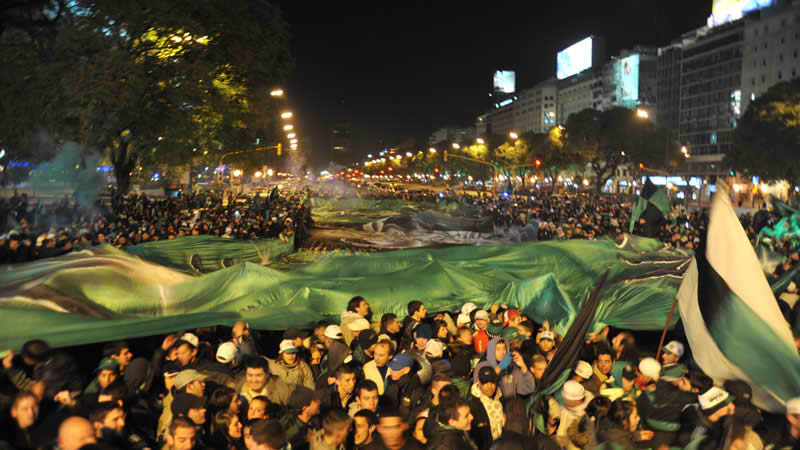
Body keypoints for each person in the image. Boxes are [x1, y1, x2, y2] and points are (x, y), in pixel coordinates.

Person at [468, 365, 504, 449]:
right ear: (479, 382)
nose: (489, 387)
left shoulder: (502, 399)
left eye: (492, 382)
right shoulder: (472, 404)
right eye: (485, 382)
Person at [281, 386, 322, 450]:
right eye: (314, 401)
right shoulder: (292, 432)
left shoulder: (314, 421)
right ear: (304, 408)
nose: (319, 401)